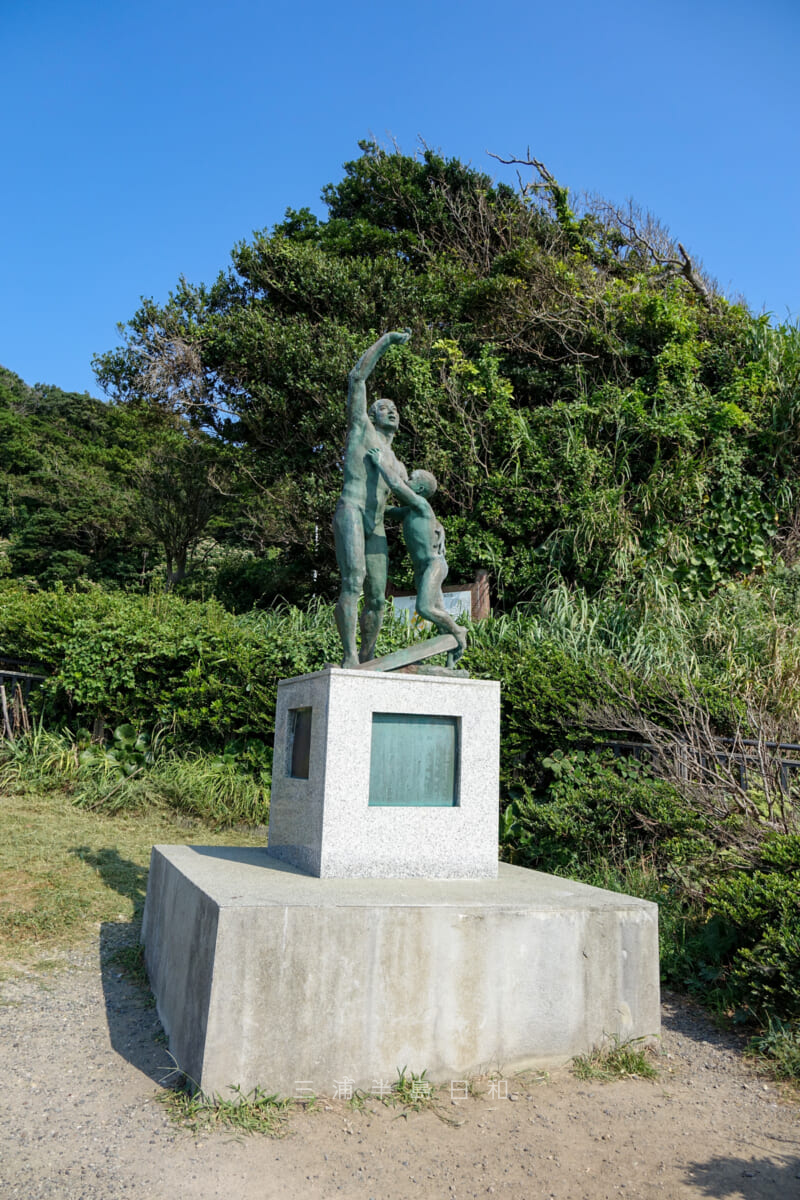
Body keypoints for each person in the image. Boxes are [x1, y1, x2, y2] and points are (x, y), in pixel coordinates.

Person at [333, 329, 411, 668]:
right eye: (384, 407)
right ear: (373, 414)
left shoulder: (397, 463)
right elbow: (357, 376)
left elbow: (407, 504)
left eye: (395, 408)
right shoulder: (361, 429)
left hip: (376, 524)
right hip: (350, 510)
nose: (391, 411)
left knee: (378, 597)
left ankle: (367, 656)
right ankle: (349, 654)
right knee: (354, 580)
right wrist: (386, 341)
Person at [367, 447, 467, 667]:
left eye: (410, 479)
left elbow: (395, 485)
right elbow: (386, 509)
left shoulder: (422, 506)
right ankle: (451, 660)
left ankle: (458, 631)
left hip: (434, 564)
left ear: (420, 489)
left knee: (424, 608)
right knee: (438, 612)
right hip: (421, 569)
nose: (406, 480)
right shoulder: (408, 512)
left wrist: (381, 462)